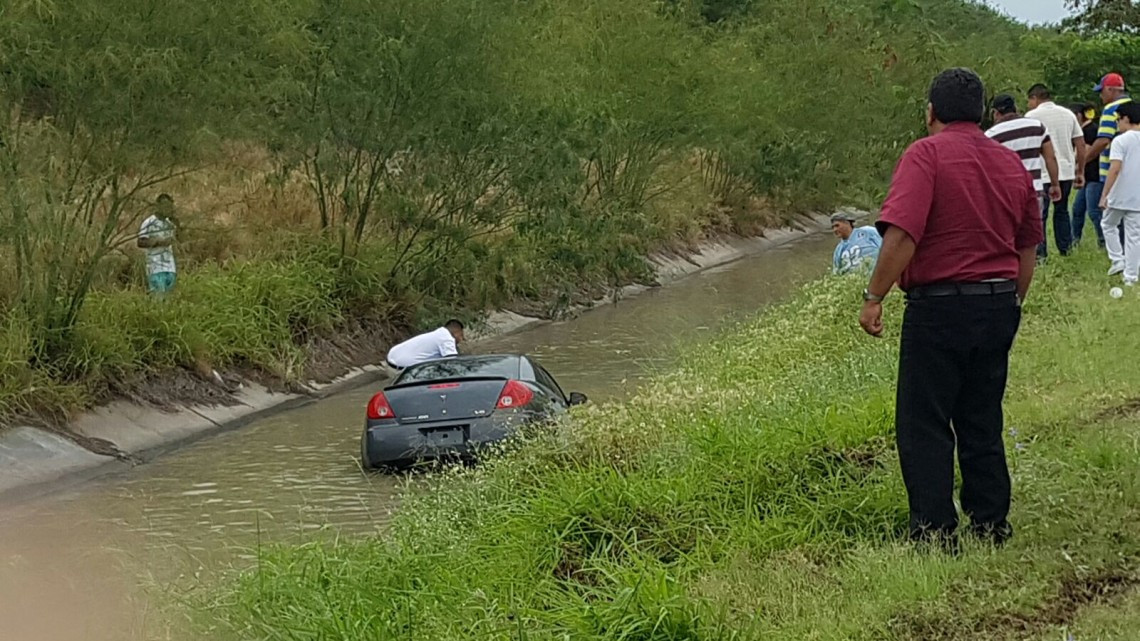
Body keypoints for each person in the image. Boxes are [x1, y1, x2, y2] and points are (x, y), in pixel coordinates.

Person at [860, 68, 1041, 548]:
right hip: (999, 301)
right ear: (981, 113)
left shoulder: (925, 154)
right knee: (982, 416)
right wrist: (1011, 303)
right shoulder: (1009, 165)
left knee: (925, 420)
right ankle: (990, 523)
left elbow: (902, 234)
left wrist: (874, 296)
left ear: (931, 112)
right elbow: (1026, 251)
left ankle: (935, 532)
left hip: (939, 308)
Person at [986, 94, 1062, 259]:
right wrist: (1055, 184)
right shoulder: (1037, 126)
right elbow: (1050, 157)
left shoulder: (991, 135)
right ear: (1015, 108)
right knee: (1035, 228)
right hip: (1034, 188)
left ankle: (1012, 260)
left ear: (995, 112)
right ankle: (1039, 259)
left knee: (1010, 229)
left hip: (1007, 191)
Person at [1026, 84, 1087, 256]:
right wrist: (1080, 171)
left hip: (1041, 173)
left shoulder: (1031, 116)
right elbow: (1080, 144)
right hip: (1065, 172)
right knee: (1062, 211)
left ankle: (1040, 253)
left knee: (1040, 214)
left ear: (1034, 98)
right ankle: (1065, 248)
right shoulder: (1068, 114)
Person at [1088, 73, 1132, 264]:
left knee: (1105, 213)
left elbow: (1103, 139)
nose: (1101, 96)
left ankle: (1116, 254)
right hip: (1132, 171)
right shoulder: (1133, 106)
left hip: (1111, 170)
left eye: (1102, 91)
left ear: (1111, 90)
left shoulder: (1111, 109)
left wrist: (1083, 161)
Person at [1098, 102, 1140, 284]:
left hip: (1119, 194)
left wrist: (1105, 194)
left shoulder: (1120, 140)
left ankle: (1117, 259)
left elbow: (1114, 168)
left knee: (1108, 224)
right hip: (1137, 197)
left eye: (1118, 120)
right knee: (1134, 236)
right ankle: (1130, 277)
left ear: (1127, 119)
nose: (1117, 124)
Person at [1070, 103, 1105, 247]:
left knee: (1094, 212)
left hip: (1094, 176)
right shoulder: (1086, 130)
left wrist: (1074, 164)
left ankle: (1103, 241)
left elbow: (1084, 152)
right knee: (1077, 210)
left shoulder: (1090, 131)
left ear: (1079, 115)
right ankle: (1074, 241)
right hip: (1087, 177)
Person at [137, 194, 178, 296]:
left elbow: (179, 240)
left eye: (170, 206)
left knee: (169, 297)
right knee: (158, 297)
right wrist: (158, 242)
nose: (168, 209)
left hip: (170, 267)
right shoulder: (149, 222)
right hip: (155, 267)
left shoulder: (170, 223)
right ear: (158, 206)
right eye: (165, 206)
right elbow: (140, 242)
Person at [386, 320, 466, 369]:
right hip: (400, 368)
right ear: (457, 332)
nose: (462, 339)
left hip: (390, 359)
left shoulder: (439, 334)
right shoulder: (447, 339)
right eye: (461, 335)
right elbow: (453, 363)